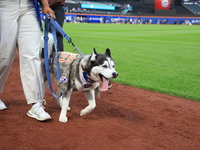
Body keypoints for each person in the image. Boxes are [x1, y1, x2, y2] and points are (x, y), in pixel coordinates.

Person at [0, 0, 55, 121]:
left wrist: (45, 5)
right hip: (4, 6)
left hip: (29, 7)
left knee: (31, 55)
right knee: (3, 56)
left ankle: (36, 104)